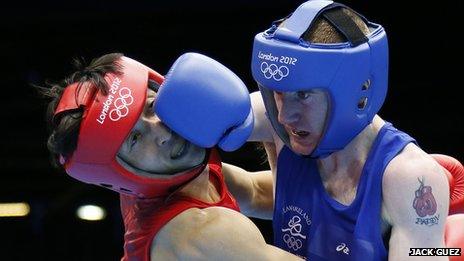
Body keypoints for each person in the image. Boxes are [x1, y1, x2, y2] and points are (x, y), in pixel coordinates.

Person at [157, 1, 464, 260]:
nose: (284, 115)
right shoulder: (279, 121)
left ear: (356, 90)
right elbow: (172, 131)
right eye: (277, 92)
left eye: (303, 95)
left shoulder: (410, 179)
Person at [39, 53, 302, 260]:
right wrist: (276, 126)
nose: (162, 131)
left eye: (152, 106)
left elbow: (258, 193)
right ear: (121, 174)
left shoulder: (174, 176)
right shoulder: (199, 233)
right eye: (134, 139)